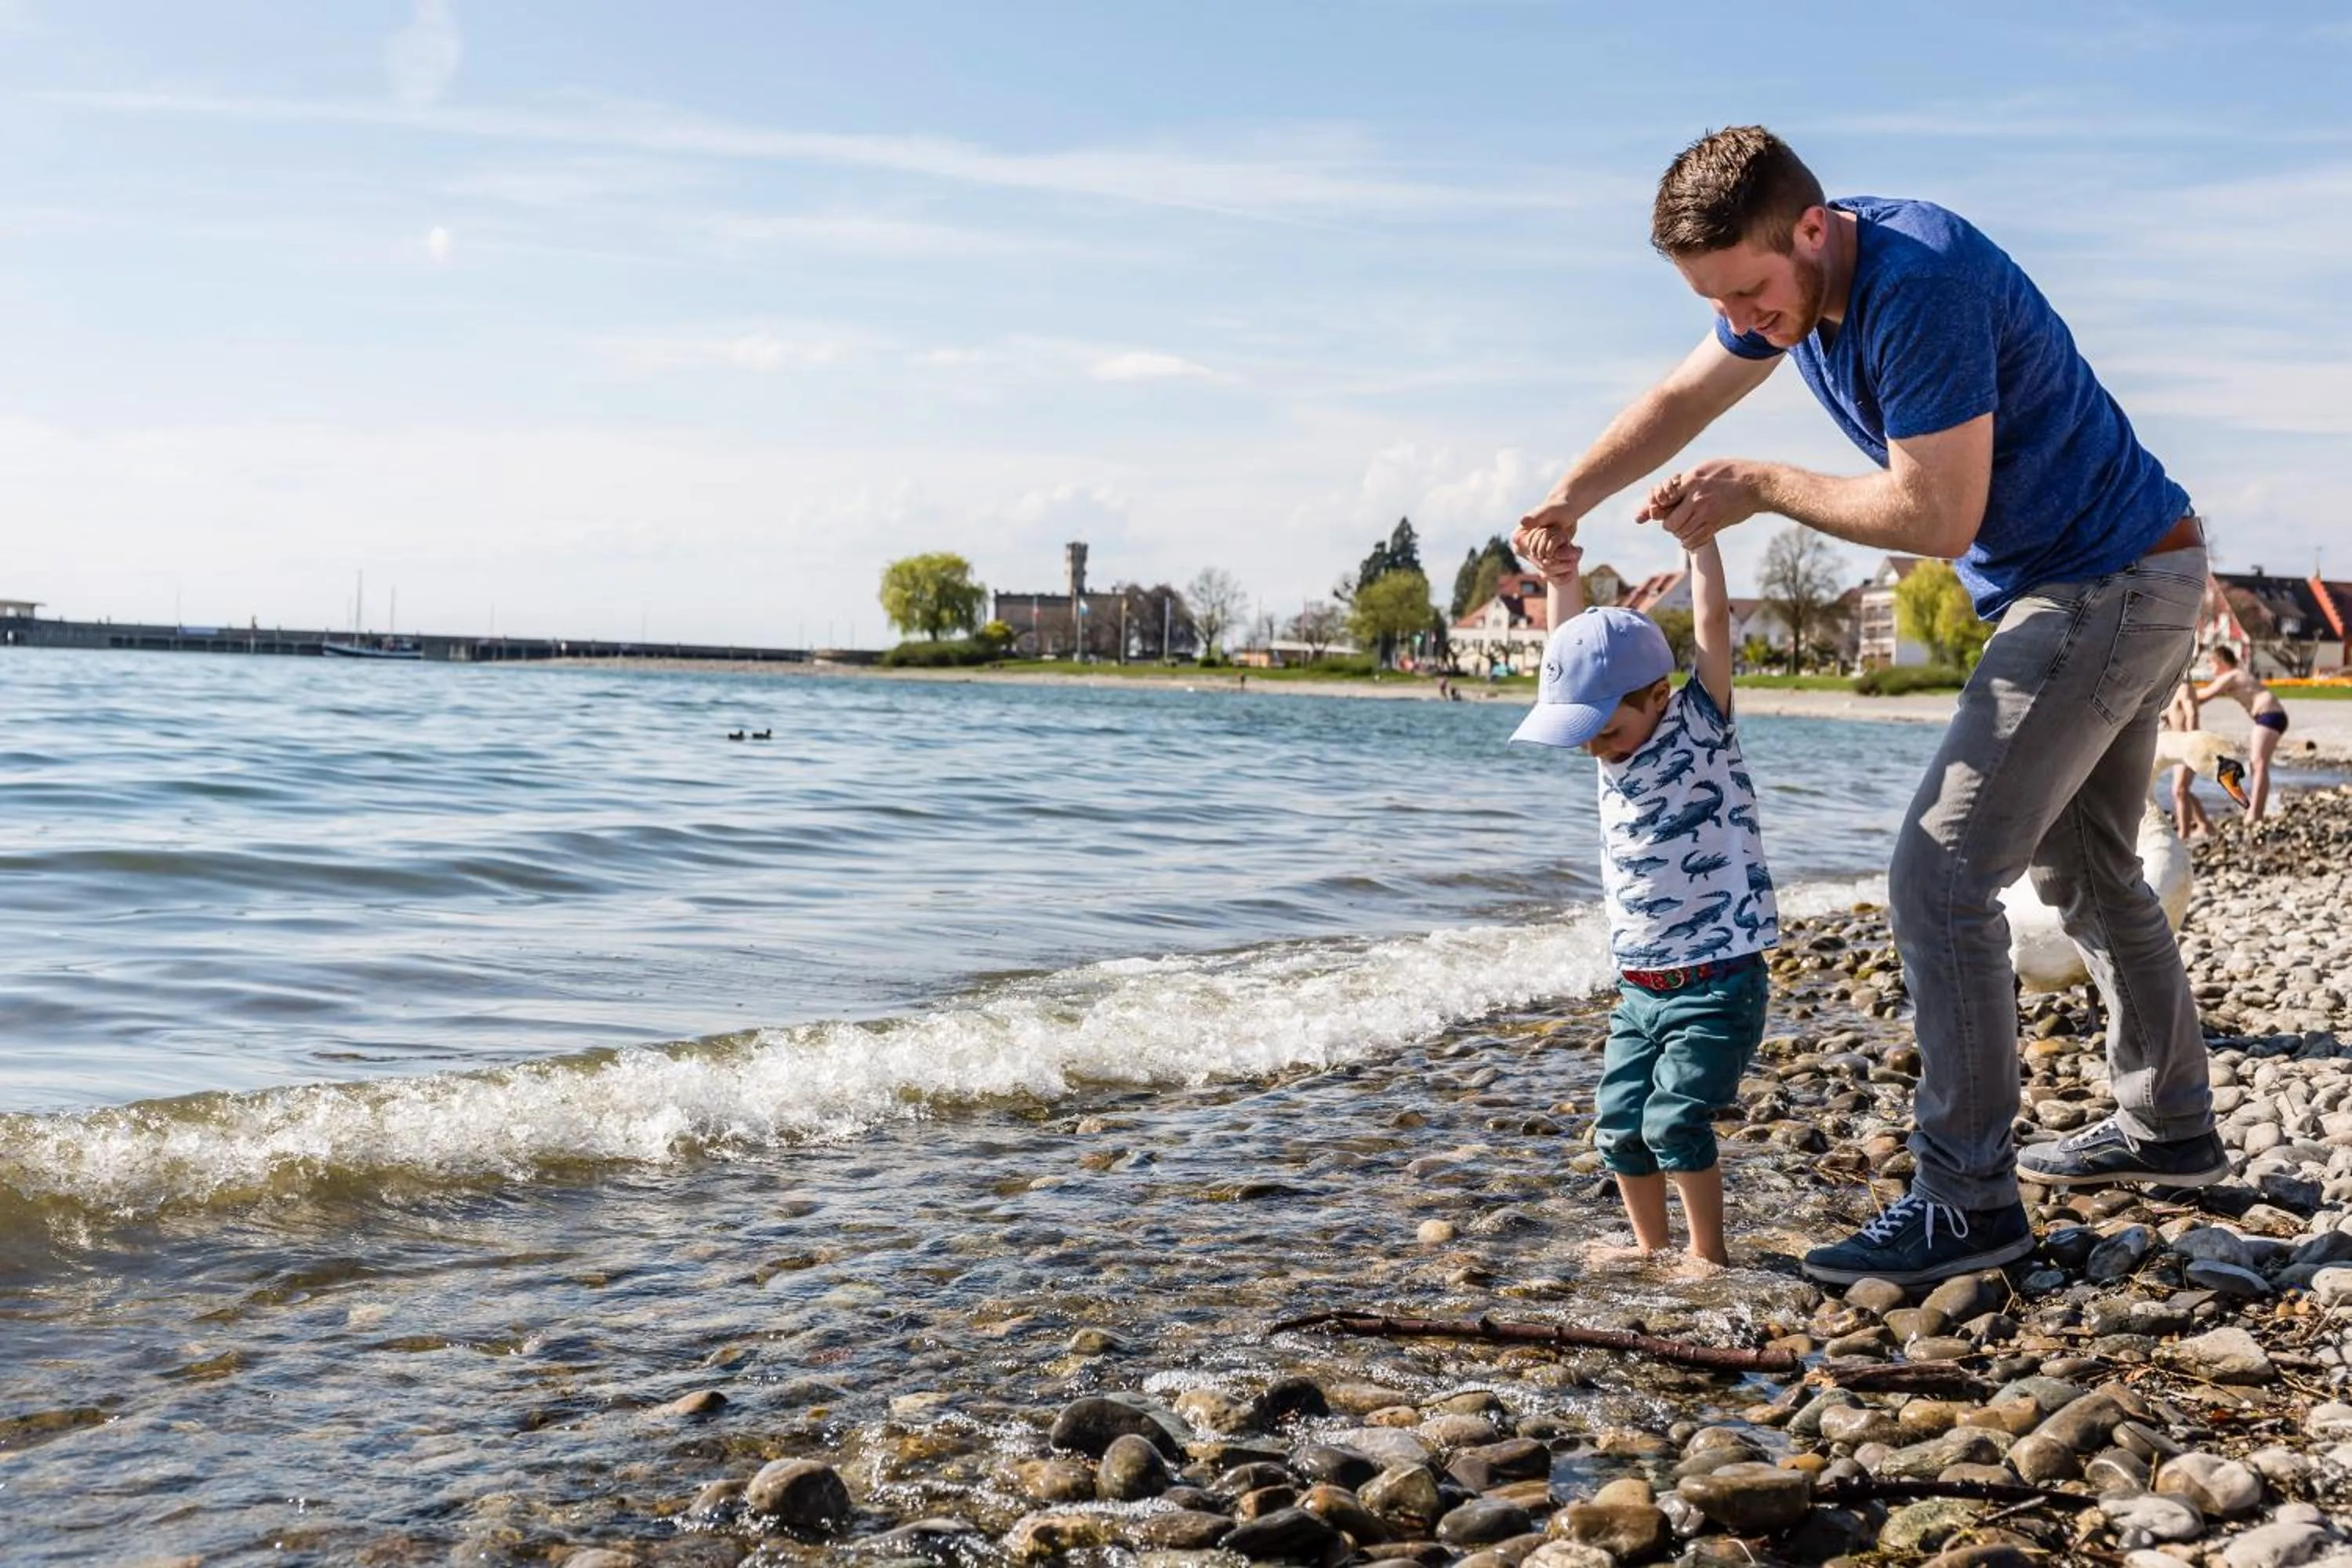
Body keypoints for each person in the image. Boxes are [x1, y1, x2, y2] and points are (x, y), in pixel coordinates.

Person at [1512, 126, 2222, 1287]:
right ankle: (2170, 1121)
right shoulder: (1786, 291)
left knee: (1941, 875)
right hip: (2135, 572)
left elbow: (1936, 520)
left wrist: (1763, 486)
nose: (1743, 318)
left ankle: (1967, 1200)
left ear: (1810, 228)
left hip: (2101, 585)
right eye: (1715, 300)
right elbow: (1681, 397)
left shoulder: (1919, 286)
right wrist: (1566, 497)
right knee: (2086, 868)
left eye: (1748, 290)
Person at [1511, 531, 1776, 1272]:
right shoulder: (1608, 744)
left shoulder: (1700, 726)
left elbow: (1712, 625)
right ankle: (1649, 1246)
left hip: (1716, 980)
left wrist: (1701, 544)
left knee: (1674, 1121)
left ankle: (1707, 1255)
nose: (1596, 748)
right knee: (1618, 1126)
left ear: (1660, 697)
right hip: (1638, 987)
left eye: (1608, 730)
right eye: (1583, 734)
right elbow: (1572, 657)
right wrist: (1559, 574)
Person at [2197, 645, 2288, 825]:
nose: (2211, 669)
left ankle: (2255, 814)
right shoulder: (2236, 675)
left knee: (2259, 764)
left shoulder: (2232, 675)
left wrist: (2181, 693)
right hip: (2269, 717)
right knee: (2257, 766)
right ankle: (2257, 810)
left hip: (2269, 716)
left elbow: (2205, 695)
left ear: (2221, 662)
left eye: (2211, 664)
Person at [2161, 679, 2212, 840]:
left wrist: (2192, 740)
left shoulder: (2185, 689)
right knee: (2181, 790)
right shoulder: (2174, 691)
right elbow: (2177, 717)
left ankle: (2184, 833)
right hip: (2180, 746)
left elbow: (2192, 713)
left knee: (2179, 790)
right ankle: (2205, 826)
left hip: (2188, 746)